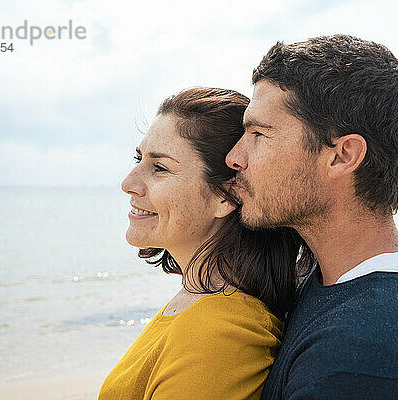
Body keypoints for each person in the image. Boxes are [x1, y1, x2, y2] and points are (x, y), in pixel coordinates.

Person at [225, 35, 398, 399]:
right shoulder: (336, 281)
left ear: (342, 156)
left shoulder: (362, 363)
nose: (234, 157)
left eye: (258, 133)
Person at [98, 87, 313, 400]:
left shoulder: (219, 334)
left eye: (159, 167)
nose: (128, 183)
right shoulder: (198, 299)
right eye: (138, 158)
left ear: (224, 197)